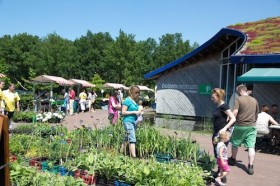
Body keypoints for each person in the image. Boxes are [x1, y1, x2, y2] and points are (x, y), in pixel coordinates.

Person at [220, 84, 259, 175]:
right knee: (251, 146)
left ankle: (233, 159)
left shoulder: (239, 99)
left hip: (240, 125)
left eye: (238, 92)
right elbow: (256, 114)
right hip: (252, 126)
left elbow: (235, 111)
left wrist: (230, 118)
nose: (237, 93)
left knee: (235, 143)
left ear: (240, 91)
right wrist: (254, 122)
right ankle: (250, 166)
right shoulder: (254, 100)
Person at [211, 88, 235, 183]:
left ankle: (222, 176)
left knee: (220, 152)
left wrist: (225, 128)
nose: (212, 99)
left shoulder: (224, 106)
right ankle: (220, 173)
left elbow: (233, 118)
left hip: (221, 133)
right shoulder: (219, 106)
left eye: (213, 97)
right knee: (217, 153)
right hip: (217, 132)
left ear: (218, 96)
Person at [121, 86, 141, 157]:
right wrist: (134, 112)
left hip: (134, 122)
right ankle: (134, 157)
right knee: (132, 138)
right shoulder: (127, 100)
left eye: (138, 92)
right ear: (132, 92)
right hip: (128, 121)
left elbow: (135, 112)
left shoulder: (135, 101)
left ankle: (121, 152)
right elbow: (123, 112)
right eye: (136, 92)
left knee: (126, 138)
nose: (138, 94)